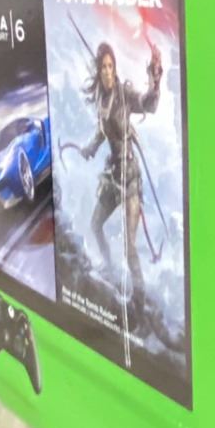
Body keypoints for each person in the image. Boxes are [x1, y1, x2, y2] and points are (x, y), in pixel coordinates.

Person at [80, 40, 163, 310]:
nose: (107, 71)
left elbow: (148, 104)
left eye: (110, 66)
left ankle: (139, 300)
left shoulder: (124, 94)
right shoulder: (101, 99)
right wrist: (90, 147)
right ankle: (110, 268)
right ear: (98, 70)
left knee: (129, 246)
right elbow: (102, 130)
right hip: (113, 175)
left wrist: (155, 79)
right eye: (103, 67)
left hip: (130, 178)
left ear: (115, 68)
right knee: (95, 225)